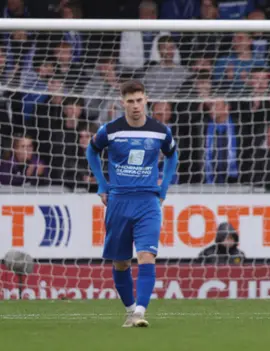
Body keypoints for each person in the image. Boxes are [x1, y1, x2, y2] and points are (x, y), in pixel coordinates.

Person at [86, 80, 178, 327]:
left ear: (146, 99)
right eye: (130, 101)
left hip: (148, 200)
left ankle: (140, 311)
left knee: (147, 255)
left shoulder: (160, 131)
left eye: (139, 100)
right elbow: (91, 151)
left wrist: (163, 187)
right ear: (122, 103)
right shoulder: (111, 130)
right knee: (121, 262)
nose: (136, 106)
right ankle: (129, 310)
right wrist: (102, 185)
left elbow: (172, 155)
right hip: (118, 200)